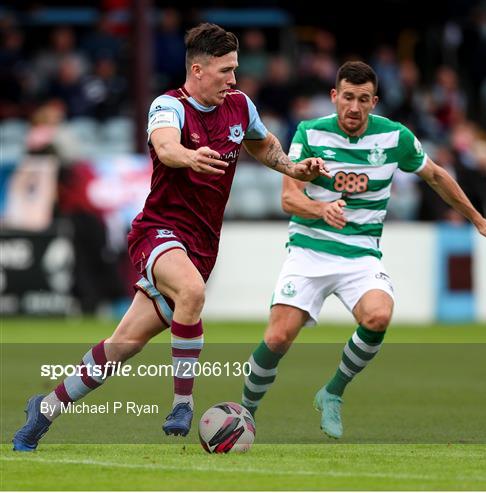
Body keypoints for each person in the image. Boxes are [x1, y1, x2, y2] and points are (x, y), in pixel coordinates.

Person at [12, 22, 328, 451]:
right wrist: (188, 157)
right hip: (158, 232)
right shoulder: (169, 106)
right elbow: (164, 147)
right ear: (197, 70)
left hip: (202, 246)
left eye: (234, 69)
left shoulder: (240, 105)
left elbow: (262, 144)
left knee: (121, 347)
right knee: (193, 291)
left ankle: (44, 408)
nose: (233, 79)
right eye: (224, 71)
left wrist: (294, 168)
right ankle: (182, 403)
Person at [241, 61, 486, 439]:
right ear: (334, 97)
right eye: (348, 97)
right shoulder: (309, 133)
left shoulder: (395, 138)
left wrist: (478, 220)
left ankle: (333, 392)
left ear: (375, 102)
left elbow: (434, 174)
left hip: (361, 254)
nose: (354, 107)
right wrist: (322, 208)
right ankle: (245, 413)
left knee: (378, 316)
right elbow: (289, 199)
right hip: (309, 250)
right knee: (277, 338)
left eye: (363, 99)